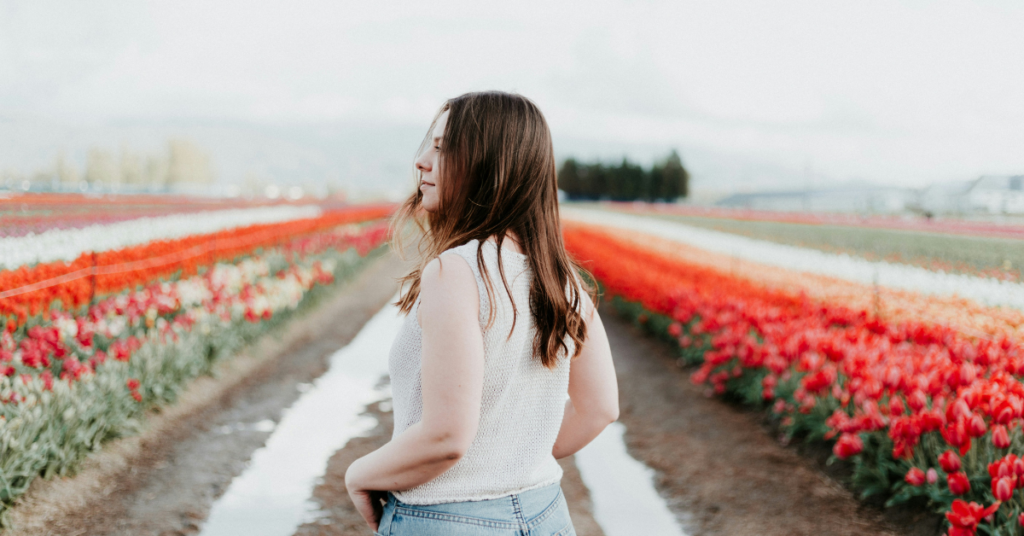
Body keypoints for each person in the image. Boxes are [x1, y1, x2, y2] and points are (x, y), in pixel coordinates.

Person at [344, 91, 619, 536]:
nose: (422, 162)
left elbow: (446, 437)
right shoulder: (558, 276)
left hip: (449, 517)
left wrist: (359, 474)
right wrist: (513, 460)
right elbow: (600, 408)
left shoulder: (455, 272)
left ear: (487, 165)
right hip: (545, 512)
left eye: (442, 148)